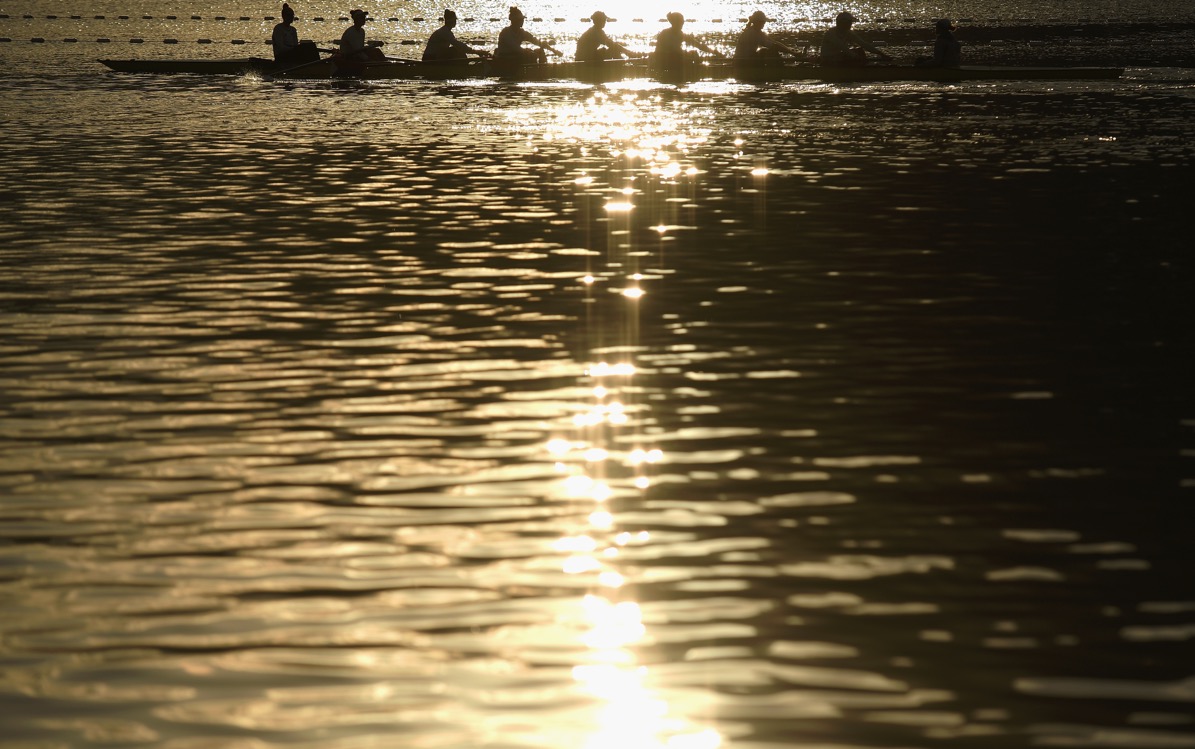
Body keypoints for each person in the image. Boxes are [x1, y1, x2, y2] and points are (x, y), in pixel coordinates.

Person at [653, 12, 722, 74]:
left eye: (683, 22)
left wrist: (714, 52)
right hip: (666, 60)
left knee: (693, 54)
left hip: (667, 59)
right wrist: (688, 54)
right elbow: (672, 50)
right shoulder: (667, 33)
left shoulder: (678, 34)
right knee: (693, 54)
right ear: (675, 22)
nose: (683, 23)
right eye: (681, 21)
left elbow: (698, 45)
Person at [819, 11, 892, 66]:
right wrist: (857, 57)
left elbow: (864, 44)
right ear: (842, 23)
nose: (851, 24)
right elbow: (844, 48)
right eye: (849, 22)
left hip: (837, 58)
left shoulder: (848, 33)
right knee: (857, 53)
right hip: (827, 60)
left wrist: (881, 54)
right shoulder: (831, 33)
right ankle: (861, 71)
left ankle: (862, 69)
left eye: (850, 22)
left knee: (860, 50)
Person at [495, 6, 561, 65]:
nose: (522, 21)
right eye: (520, 20)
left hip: (516, 56)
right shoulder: (506, 33)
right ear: (514, 21)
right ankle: (536, 71)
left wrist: (554, 50)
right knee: (531, 55)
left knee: (540, 51)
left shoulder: (522, 32)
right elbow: (515, 48)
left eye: (522, 20)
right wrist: (528, 51)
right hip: (504, 58)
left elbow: (536, 41)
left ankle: (543, 69)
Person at [733, 10, 799, 65]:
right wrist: (792, 53)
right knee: (768, 52)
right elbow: (773, 46)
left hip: (746, 60)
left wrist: (791, 50)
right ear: (757, 22)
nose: (763, 25)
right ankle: (779, 70)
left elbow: (774, 42)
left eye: (764, 23)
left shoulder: (757, 32)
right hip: (742, 63)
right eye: (762, 23)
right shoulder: (752, 33)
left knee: (765, 51)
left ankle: (778, 67)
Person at [423, 9, 491, 61]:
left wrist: (475, 51)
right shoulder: (444, 32)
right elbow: (457, 44)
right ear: (451, 21)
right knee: (457, 49)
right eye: (455, 20)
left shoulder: (447, 32)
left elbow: (458, 45)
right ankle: (465, 67)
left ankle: (464, 65)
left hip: (435, 56)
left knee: (457, 49)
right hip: (430, 58)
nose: (456, 22)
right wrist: (476, 52)